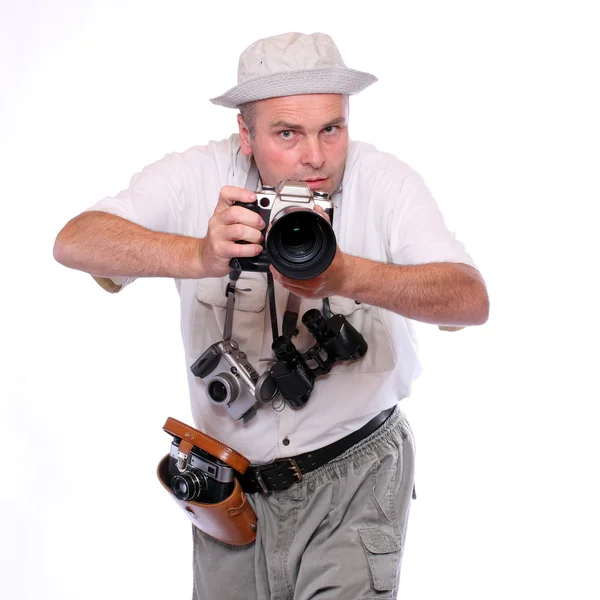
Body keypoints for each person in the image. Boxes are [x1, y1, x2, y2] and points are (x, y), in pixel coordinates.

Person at [53, 31, 489, 599]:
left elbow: (469, 300)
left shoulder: (383, 181)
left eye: (331, 129)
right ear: (246, 133)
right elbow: (75, 242)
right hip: (231, 492)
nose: (315, 156)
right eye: (287, 133)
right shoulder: (198, 176)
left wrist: (345, 274)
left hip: (355, 474)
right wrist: (198, 255)